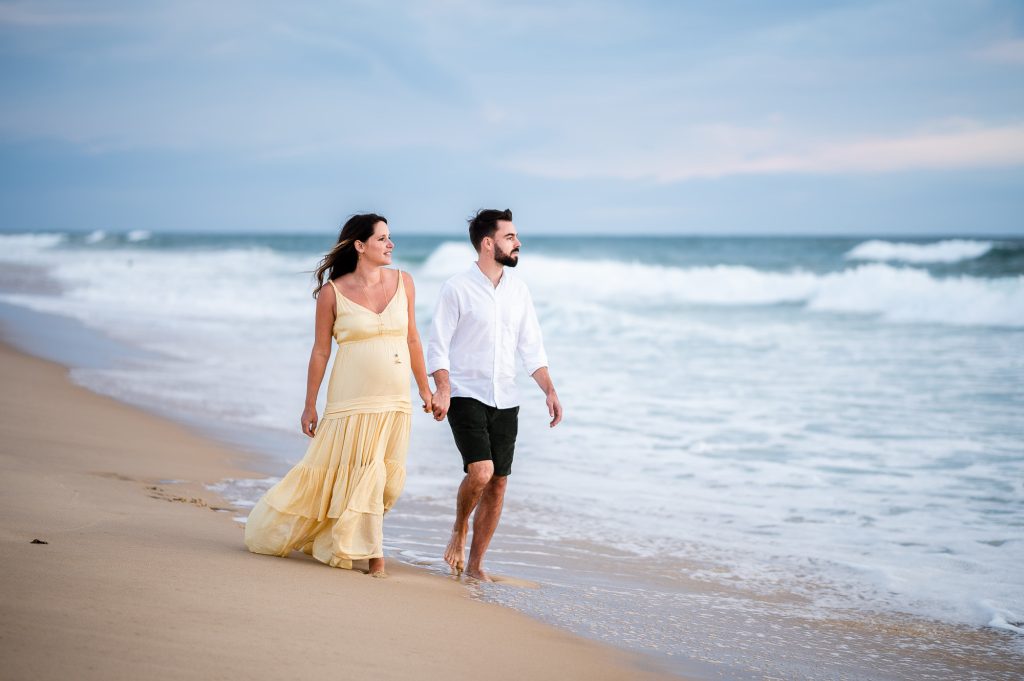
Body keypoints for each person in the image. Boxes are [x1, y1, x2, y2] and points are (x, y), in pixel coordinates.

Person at [244, 213, 433, 578]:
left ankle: (345, 538)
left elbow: (412, 338)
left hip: (395, 400)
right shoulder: (332, 293)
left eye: (390, 237)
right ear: (360, 246)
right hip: (351, 402)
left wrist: (425, 389)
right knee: (367, 474)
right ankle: (374, 557)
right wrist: (309, 404)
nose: (391, 244)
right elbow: (320, 352)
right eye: (382, 239)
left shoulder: (404, 282)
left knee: (387, 479)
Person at [427, 208, 563, 582]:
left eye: (516, 237)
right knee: (481, 471)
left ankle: (475, 566)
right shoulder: (456, 288)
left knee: (499, 481)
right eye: (509, 237)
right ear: (488, 244)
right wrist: (441, 387)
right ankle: (459, 527)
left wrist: (549, 390)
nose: (518, 243)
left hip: (507, 397)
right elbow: (437, 346)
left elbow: (532, 349)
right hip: (465, 393)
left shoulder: (519, 291)